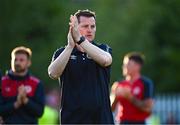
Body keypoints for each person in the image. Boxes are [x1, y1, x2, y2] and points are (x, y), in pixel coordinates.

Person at [48, 9, 114, 124]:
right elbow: (53, 73)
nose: (90, 30)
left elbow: (105, 60)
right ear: (74, 28)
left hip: (101, 120)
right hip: (72, 120)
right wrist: (69, 47)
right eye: (85, 26)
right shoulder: (62, 52)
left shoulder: (103, 49)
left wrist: (80, 40)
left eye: (93, 26)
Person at [0, 46, 45, 124]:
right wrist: (16, 104)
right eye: (15, 59)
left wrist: (25, 100)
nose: (17, 63)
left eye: (21, 60)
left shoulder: (36, 83)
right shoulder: (2, 82)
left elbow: (39, 112)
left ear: (28, 63)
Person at [111, 52, 154, 124]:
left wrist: (130, 97)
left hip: (138, 122)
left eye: (128, 64)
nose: (124, 67)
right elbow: (111, 109)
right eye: (124, 65)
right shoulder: (119, 84)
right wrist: (115, 96)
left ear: (137, 66)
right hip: (122, 122)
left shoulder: (146, 83)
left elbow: (148, 108)